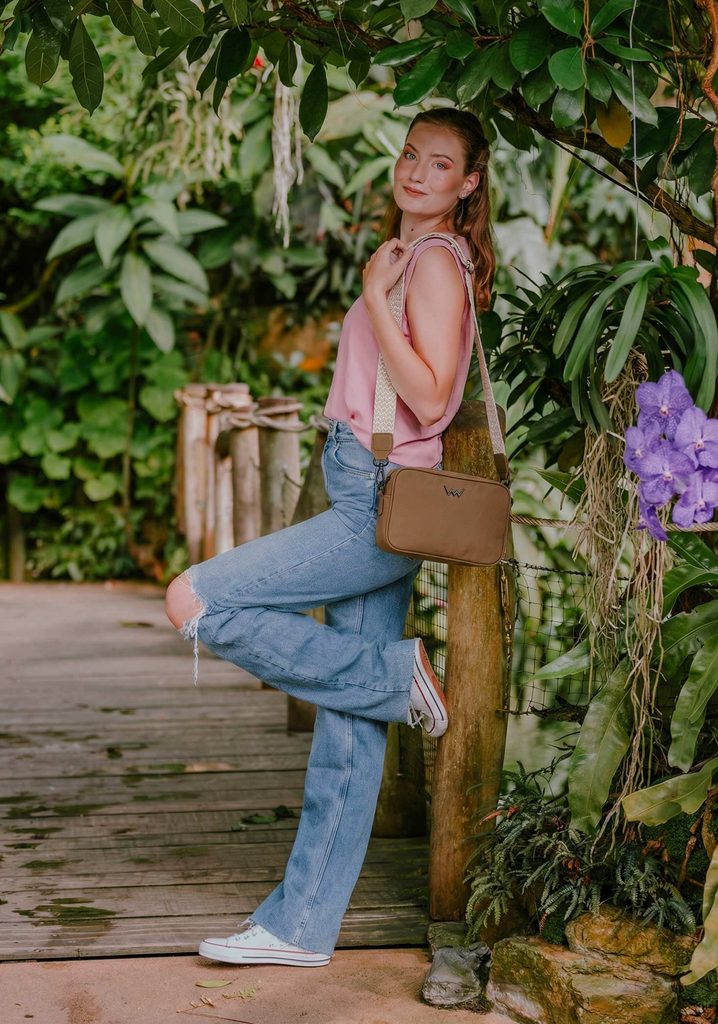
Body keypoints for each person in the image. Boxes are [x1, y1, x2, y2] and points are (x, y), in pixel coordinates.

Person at [165, 105, 496, 967]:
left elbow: (431, 398)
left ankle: (393, 677)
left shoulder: (432, 263)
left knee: (195, 599)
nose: (416, 171)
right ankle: (299, 928)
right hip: (367, 483)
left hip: (375, 502)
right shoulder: (411, 254)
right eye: (410, 154)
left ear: (469, 183)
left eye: (441, 163)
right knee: (348, 733)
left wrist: (372, 299)